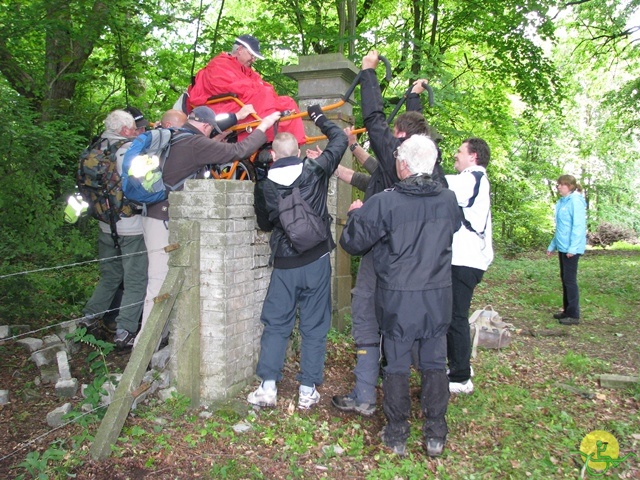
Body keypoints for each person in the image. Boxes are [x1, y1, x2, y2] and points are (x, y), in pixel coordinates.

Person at [332, 50, 445, 416]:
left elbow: (375, 117)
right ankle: (428, 416)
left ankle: (368, 395)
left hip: (383, 258)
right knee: (416, 334)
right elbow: (374, 162)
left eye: (396, 139)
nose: (391, 143)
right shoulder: (436, 175)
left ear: (401, 145)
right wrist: (412, 96)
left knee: (367, 316)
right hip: (423, 274)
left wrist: (368, 72)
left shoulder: (397, 160)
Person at [340, 134, 461, 457]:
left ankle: (397, 434)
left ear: (403, 165)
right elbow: (454, 227)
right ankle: (435, 434)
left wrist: (355, 214)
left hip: (398, 299)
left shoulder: (385, 203)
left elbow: (352, 242)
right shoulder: (447, 200)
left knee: (396, 365)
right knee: (435, 363)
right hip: (437, 297)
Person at [137, 107, 281, 343]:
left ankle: (160, 338)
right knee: (158, 282)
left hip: (155, 215)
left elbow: (193, 157)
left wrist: (217, 139)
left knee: (166, 280)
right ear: (205, 126)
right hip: (163, 220)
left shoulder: (176, 137)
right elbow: (240, 150)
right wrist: (263, 126)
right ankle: (143, 348)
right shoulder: (195, 144)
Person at [247, 105, 348, 410]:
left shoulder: (264, 186)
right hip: (316, 260)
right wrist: (316, 116)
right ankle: (307, 390)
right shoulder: (315, 171)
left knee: (277, 323)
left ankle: (267, 388)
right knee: (315, 326)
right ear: (300, 150)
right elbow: (340, 141)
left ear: (274, 156)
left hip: (285, 265)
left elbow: (264, 225)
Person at [78, 109, 148, 350]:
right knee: (136, 279)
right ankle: (125, 330)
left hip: (105, 225)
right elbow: (144, 186)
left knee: (110, 276)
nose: (137, 132)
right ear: (125, 130)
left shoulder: (93, 149)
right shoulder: (128, 151)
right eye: (133, 128)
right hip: (131, 227)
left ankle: (88, 318)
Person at [187, 35, 306, 145]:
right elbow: (232, 87)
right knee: (264, 94)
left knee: (288, 102)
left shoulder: (246, 69)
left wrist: (260, 89)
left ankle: (290, 146)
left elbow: (260, 85)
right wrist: (259, 89)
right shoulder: (219, 65)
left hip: (245, 102)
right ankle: (271, 141)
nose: (253, 60)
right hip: (224, 106)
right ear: (239, 50)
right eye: (252, 55)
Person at [445, 138, 494, 395]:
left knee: (456, 318)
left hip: (465, 261)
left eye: (460, 151)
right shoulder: (474, 179)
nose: (456, 155)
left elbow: (440, 183)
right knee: (452, 316)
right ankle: (457, 365)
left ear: (473, 156)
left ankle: (461, 376)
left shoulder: (472, 178)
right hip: (465, 260)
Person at [547, 174, 586, 325]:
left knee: (570, 280)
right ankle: (566, 311)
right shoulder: (562, 202)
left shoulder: (575, 201)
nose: (558, 187)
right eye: (558, 184)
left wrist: (573, 248)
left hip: (571, 248)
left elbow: (578, 226)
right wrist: (552, 246)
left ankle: (573, 315)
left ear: (569, 186)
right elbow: (561, 228)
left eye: (561, 185)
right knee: (564, 278)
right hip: (563, 246)